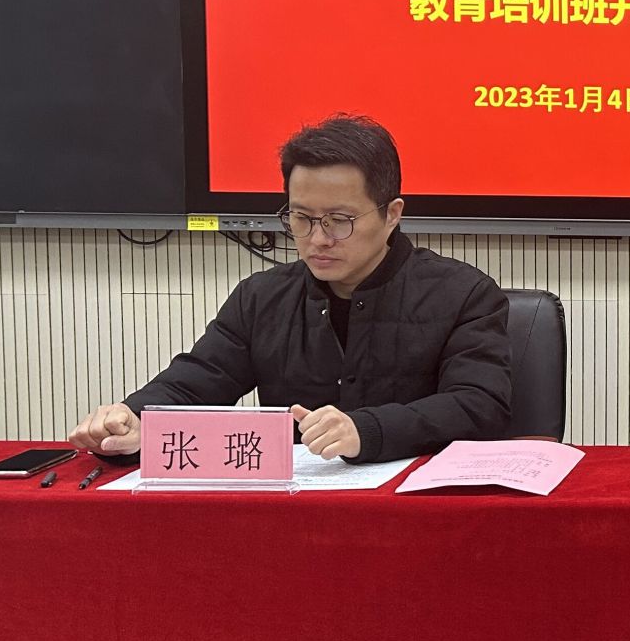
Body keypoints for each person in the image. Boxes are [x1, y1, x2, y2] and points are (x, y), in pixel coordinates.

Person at [68, 115, 510, 464]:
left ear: (391, 214)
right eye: (301, 218)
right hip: (292, 511)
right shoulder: (261, 299)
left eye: (339, 220)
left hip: (416, 512)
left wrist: (368, 430)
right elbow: (194, 385)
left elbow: (478, 406)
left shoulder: (463, 294)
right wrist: (135, 418)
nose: (318, 239)